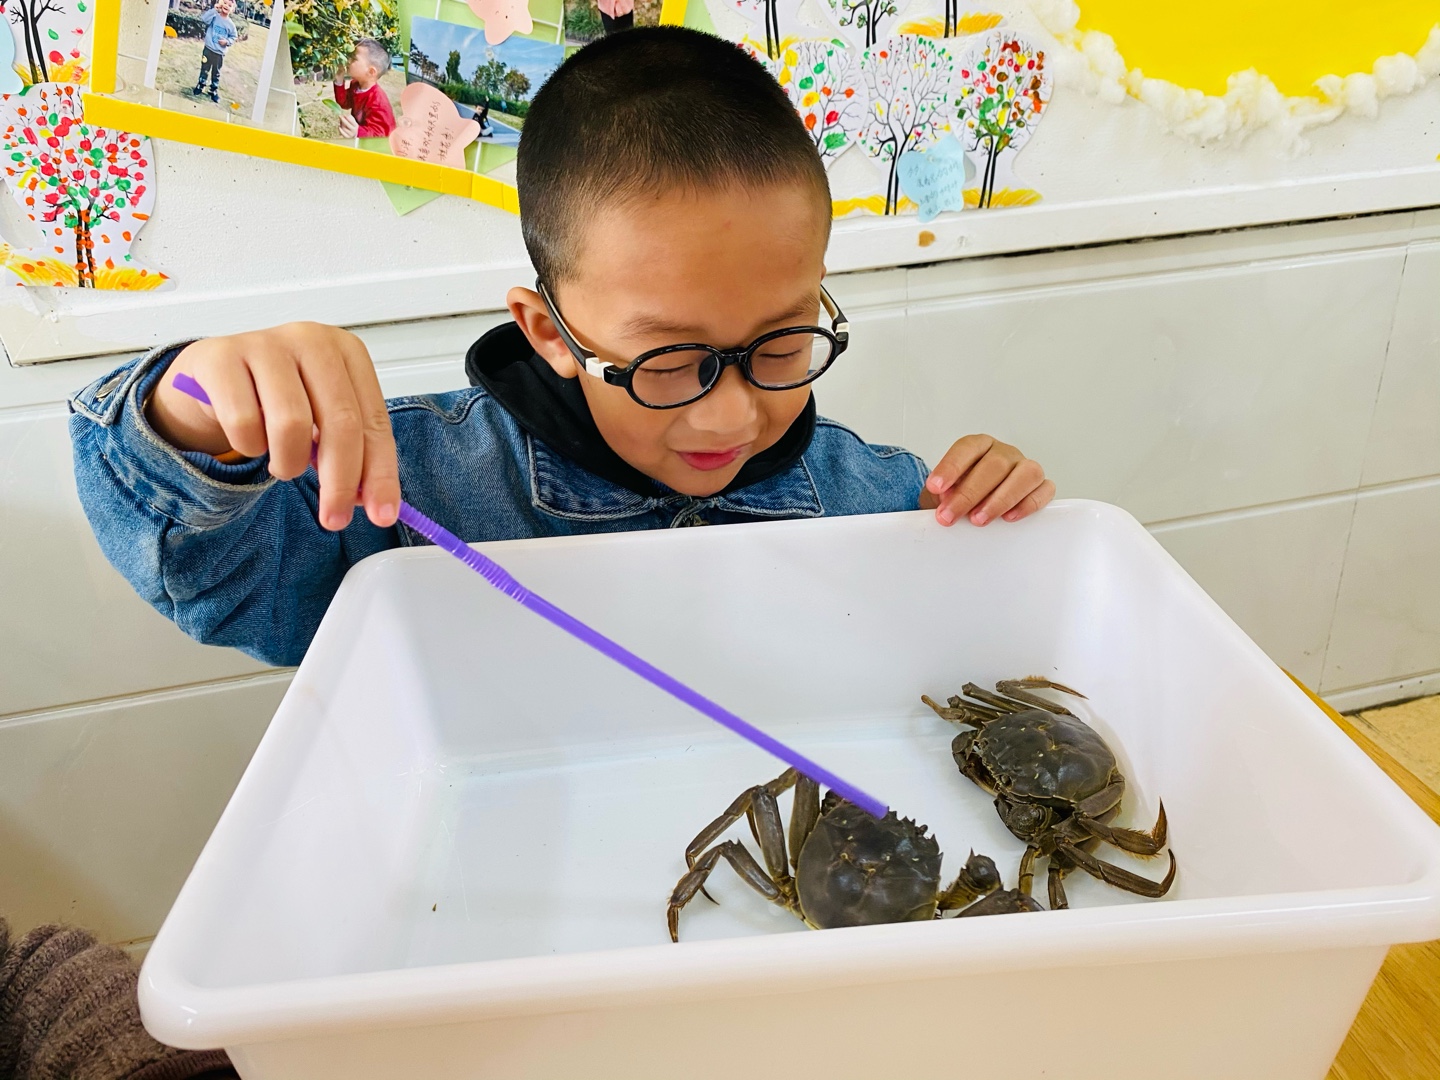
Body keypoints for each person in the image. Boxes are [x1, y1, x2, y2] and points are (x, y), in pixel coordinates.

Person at [69, 27, 1054, 669]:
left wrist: (991, 514)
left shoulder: (866, 492)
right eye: (670, 362)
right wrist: (192, 413)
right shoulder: (410, 492)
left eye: (782, 343)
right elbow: (224, 582)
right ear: (550, 332)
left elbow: (956, 656)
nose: (734, 414)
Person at [332, 39, 396, 138]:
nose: (348, 60)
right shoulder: (356, 85)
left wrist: (358, 132)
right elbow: (344, 103)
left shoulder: (378, 102)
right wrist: (339, 80)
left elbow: (381, 135)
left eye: (353, 58)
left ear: (371, 72)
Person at [193, 0, 236, 105]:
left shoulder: (231, 25)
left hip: (219, 53)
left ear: (232, 9)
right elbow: (204, 19)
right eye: (225, 3)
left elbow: (233, 37)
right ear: (221, 3)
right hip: (208, 49)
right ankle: (201, 84)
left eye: (230, 5)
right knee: (204, 68)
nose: (227, 6)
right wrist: (214, 10)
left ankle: (213, 90)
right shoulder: (214, 16)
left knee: (216, 73)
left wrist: (227, 42)